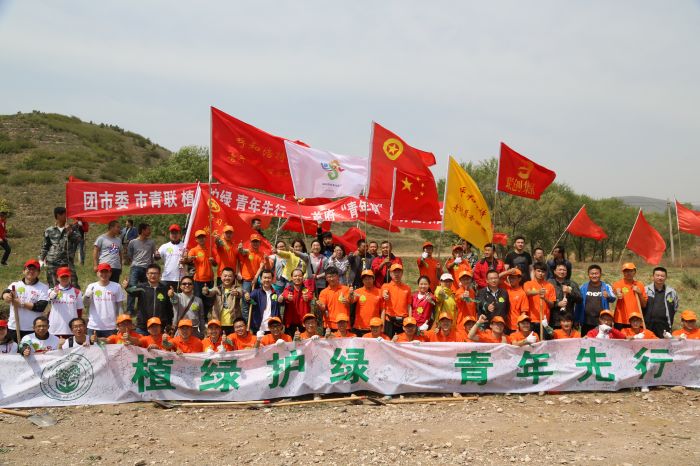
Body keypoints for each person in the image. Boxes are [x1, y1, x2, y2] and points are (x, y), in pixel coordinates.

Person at [2, 259, 49, 340]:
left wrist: (21, 304)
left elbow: (40, 307)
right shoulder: (15, 285)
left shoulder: (43, 287)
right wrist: (6, 296)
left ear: (38, 273)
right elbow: (5, 293)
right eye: (29, 269)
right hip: (14, 327)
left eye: (34, 269)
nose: (31, 271)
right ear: (23, 271)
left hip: (32, 329)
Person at [123, 263, 173, 336]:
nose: (153, 275)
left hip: (160, 327)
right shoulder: (141, 287)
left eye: (155, 273)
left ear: (160, 275)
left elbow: (169, 308)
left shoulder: (165, 288)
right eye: (151, 273)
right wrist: (127, 287)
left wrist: (169, 323)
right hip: (143, 327)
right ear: (146, 274)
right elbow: (132, 291)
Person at [40, 206, 81, 288]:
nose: (67, 217)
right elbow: (45, 246)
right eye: (65, 215)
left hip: (67, 261)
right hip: (53, 262)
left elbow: (78, 239)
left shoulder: (72, 228)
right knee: (53, 285)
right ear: (58, 215)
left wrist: (70, 232)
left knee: (73, 284)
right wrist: (41, 259)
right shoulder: (49, 230)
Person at [84, 263, 126, 339]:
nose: (104, 274)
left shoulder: (116, 286)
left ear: (110, 273)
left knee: (112, 346)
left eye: (106, 272)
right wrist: (87, 296)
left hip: (111, 327)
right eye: (101, 272)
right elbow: (85, 304)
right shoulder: (91, 286)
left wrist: (121, 323)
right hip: (94, 326)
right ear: (97, 273)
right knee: (93, 346)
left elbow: (120, 306)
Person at [185, 230, 219, 321]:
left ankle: (205, 319)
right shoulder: (193, 250)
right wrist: (189, 259)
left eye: (203, 237)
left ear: (205, 238)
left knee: (209, 301)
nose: (201, 239)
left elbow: (216, 264)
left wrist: (213, 261)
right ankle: (198, 319)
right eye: (199, 237)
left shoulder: (211, 249)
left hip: (209, 280)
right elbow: (188, 260)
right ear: (196, 239)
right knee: (198, 301)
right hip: (198, 280)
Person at [575, 264, 617, 335]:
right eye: (592, 274)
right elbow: (578, 304)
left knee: (602, 341)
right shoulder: (583, 287)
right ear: (588, 275)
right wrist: (576, 319)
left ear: (600, 274)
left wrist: (608, 296)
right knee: (586, 341)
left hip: (603, 323)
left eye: (596, 273)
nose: (594, 276)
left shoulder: (606, 286)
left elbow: (613, 298)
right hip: (586, 322)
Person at [125, 223, 157, 315]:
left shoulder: (151, 242)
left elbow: (153, 255)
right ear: (142, 230)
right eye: (148, 229)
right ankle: (130, 310)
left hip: (147, 269)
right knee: (132, 288)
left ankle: (143, 308)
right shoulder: (133, 242)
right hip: (135, 267)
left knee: (145, 288)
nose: (150, 231)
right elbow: (130, 255)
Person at [47, 266, 83, 338]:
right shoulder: (51, 290)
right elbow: (50, 298)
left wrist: (78, 325)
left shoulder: (77, 292)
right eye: (62, 277)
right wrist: (55, 292)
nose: (65, 278)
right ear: (57, 278)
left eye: (67, 276)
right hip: (55, 328)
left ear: (70, 277)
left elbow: (79, 310)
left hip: (71, 329)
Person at [644, 266, 680, 338]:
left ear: (666, 277)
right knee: (648, 343)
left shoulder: (671, 292)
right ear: (653, 276)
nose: (660, 278)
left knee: (664, 344)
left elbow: (675, 307)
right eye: (657, 275)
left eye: (662, 276)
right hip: (648, 324)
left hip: (664, 325)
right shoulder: (645, 290)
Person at [204, 267, 241, 335]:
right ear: (221, 277)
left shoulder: (237, 288)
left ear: (233, 278)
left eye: (230, 276)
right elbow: (210, 292)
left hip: (233, 323)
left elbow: (240, 293)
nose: (227, 278)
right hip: (218, 323)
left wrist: (237, 293)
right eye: (225, 276)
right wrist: (206, 291)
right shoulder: (217, 288)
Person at [238, 233, 265, 321]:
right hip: (247, 281)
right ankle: (246, 323)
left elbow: (261, 267)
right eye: (253, 241)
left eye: (257, 241)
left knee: (255, 302)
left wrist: (256, 278)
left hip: (257, 281)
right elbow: (243, 252)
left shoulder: (262, 254)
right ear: (250, 242)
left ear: (260, 243)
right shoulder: (248, 251)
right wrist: (240, 249)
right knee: (246, 301)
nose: (255, 243)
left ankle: (254, 322)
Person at [613, 263, 648, 330]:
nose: (628, 273)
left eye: (631, 271)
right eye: (626, 271)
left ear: (635, 272)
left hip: (636, 320)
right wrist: (619, 293)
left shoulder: (640, 285)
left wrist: (640, 293)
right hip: (620, 320)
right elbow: (617, 290)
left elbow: (644, 305)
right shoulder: (618, 283)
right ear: (623, 272)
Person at [245, 269, 282, 334]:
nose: (267, 280)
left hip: (273, 327)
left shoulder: (276, 293)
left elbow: (281, 301)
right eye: (265, 278)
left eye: (269, 278)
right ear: (261, 279)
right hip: (259, 327)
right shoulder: (256, 292)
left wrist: (281, 300)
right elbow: (253, 303)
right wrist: (248, 299)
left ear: (272, 279)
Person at [381, 263, 412, 338]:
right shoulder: (386, 286)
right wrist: (385, 294)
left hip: (403, 321)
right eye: (394, 272)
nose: (397, 274)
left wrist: (410, 320)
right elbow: (385, 291)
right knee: (388, 341)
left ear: (402, 273)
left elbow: (409, 305)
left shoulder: (407, 288)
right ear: (390, 273)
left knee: (402, 342)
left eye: (399, 272)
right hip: (390, 320)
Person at [523, 262, 556, 333]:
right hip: (530, 320)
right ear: (534, 271)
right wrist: (538, 292)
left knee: (543, 339)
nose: (540, 273)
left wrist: (545, 298)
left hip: (544, 321)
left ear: (546, 273)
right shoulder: (528, 284)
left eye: (543, 272)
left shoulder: (550, 286)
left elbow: (552, 305)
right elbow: (528, 293)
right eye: (538, 271)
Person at [317, 267, 352, 331]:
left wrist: (347, 301)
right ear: (326, 278)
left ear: (338, 277)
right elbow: (323, 307)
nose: (331, 279)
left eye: (333, 276)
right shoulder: (323, 292)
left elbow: (349, 302)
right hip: (329, 325)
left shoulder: (346, 289)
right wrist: (320, 306)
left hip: (344, 324)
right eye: (329, 277)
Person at [548, 263, 581, 329]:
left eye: (564, 270)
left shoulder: (572, 284)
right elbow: (545, 300)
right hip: (553, 320)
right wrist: (557, 304)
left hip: (568, 320)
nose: (562, 272)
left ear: (567, 272)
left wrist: (570, 292)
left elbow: (579, 300)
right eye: (560, 270)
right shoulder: (549, 283)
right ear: (554, 271)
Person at [281, 269, 313, 336]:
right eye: (295, 276)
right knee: (290, 341)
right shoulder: (288, 289)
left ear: (303, 277)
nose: (297, 278)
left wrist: (307, 298)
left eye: (300, 276)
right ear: (292, 278)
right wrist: (287, 297)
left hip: (304, 322)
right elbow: (284, 294)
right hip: (290, 322)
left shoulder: (307, 289)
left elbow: (310, 296)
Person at [351, 269, 382, 336]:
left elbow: (383, 310)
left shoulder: (380, 292)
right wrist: (350, 295)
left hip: (374, 327)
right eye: (365, 279)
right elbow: (351, 300)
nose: (368, 281)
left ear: (373, 279)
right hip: (359, 327)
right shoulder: (357, 291)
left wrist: (382, 325)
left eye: (369, 278)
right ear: (362, 281)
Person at [157, 224, 187, 291]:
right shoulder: (164, 246)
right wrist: (156, 255)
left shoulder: (185, 246)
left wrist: (186, 260)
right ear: (170, 234)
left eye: (176, 233)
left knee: (179, 297)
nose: (174, 235)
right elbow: (156, 258)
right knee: (165, 297)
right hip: (166, 278)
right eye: (172, 233)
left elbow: (189, 261)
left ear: (180, 234)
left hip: (180, 278)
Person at [503, 269, 529, 334]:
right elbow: (497, 278)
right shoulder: (506, 288)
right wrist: (507, 272)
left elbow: (523, 313)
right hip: (504, 326)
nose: (511, 280)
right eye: (510, 278)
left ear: (519, 279)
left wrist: (519, 327)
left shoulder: (522, 293)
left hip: (515, 327)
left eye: (513, 278)